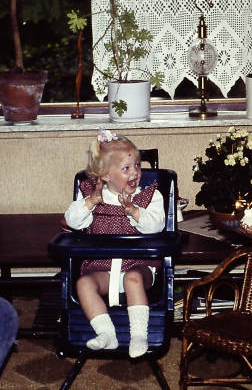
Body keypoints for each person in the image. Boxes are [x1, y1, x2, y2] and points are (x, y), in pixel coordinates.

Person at [64, 127, 165, 358]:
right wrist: (90, 202)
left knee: (132, 279)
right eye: (126, 168)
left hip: (139, 265)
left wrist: (135, 211)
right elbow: (73, 221)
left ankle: (139, 335)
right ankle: (106, 333)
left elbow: (156, 226)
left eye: (137, 166)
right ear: (106, 176)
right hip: (102, 267)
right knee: (83, 284)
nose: (135, 173)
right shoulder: (92, 195)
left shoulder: (149, 196)